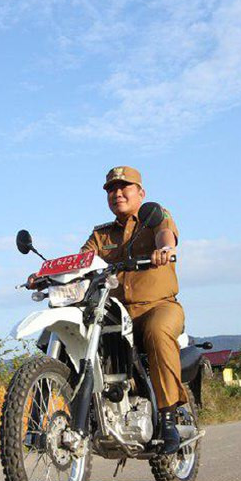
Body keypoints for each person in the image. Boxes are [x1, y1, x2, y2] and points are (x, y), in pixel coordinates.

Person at [80, 165, 188, 454]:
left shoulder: (155, 216)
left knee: (156, 330)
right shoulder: (101, 235)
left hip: (159, 307)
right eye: (111, 189)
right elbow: (81, 260)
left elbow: (166, 234)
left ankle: (167, 419)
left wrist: (164, 250)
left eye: (124, 187)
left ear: (140, 192)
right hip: (116, 313)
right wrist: (45, 273)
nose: (117, 193)